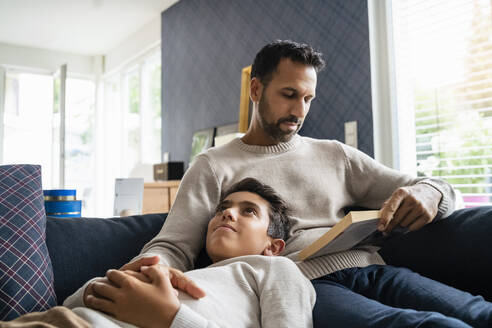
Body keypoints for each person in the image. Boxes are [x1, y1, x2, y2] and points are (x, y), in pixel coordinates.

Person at [86, 40, 492, 327]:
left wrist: (428, 192)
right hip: (305, 286)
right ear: (256, 90)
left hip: (374, 268)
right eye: (288, 94)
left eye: (308, 99)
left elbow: (433, 185)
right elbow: (173, 243)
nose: (299, 110)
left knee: (477, 313)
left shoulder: (335, 154)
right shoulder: (213, 165)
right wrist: (152, 269)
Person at [64, 178, 315, 328]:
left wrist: (171, 318)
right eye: (222, 209)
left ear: (273, 247)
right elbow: (67, 304)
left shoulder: (277, 269)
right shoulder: (184, 274)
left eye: (248, 211)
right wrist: (108, 282)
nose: (227, 213)